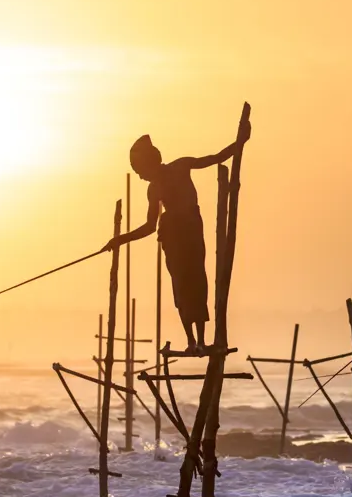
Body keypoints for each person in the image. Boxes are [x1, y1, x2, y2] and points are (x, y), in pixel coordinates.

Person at [105, 120, 251, 353]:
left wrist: (240, 142)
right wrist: (119, 239)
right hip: (172, 236)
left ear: (151, 163)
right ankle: (191, 341)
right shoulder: (153, 189)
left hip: (191, 230)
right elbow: (150, 226)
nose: (141, 177)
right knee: (181, 286)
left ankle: (201, 341)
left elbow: (215, 158)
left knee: (197, 282)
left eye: (141, 171)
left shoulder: (181, 166)